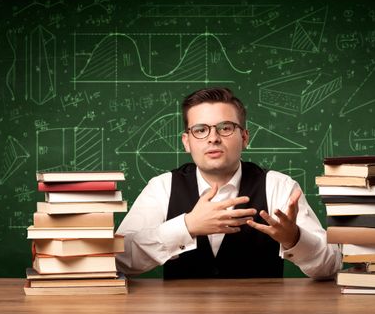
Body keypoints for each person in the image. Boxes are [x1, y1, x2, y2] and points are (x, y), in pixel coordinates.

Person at [115, 87, 341, 279]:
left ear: (244, 137)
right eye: (200, 130)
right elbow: (119, 259)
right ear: (187, 142)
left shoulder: (279, 186)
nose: (213, 138)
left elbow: (331, 266)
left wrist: (295, 239)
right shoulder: (161, 187)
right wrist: (187, 227)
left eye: (225, 128)